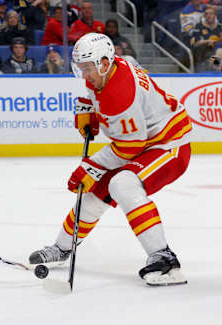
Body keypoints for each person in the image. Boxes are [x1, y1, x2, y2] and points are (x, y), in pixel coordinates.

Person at [29, 33, 193, 286]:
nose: (84, 75)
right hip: (143, 142)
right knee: (94, 194)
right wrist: (87, 109)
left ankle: (164, 258)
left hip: (169, 144)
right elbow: (93, 90)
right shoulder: (107, 68)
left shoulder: (120, 94)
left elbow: (130, 146)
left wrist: (91, 166)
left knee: (122, 184)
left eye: (87, 68)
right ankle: (62, 248)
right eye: (80, 68)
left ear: (104, 63)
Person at [190, 6, 222, 70]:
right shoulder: (199, 26)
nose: (208, 15)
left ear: (215, 16)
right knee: (216, 58)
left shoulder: (220, 27)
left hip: (217, 53)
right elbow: (195, 44)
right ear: (204, 16)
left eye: (211, 13)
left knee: (219, 53)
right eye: (206, 14)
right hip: (203, 55)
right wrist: (208, 41)